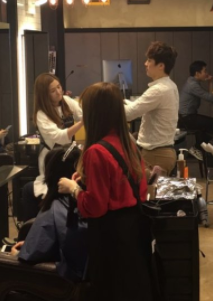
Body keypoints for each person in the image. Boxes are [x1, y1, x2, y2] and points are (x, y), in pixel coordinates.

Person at [58, 82, 155, 300]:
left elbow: (95, 207)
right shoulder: (128, 144)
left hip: (109, 238)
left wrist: (74, 189)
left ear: (95, 113)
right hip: (133, 232)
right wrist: (87, 179)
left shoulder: (96, 152)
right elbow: (131, 186)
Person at [12, 146, 88, 281]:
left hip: (66, 284)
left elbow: (29, 258)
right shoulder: (88, 203)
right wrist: (33, 242)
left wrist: (17, 254)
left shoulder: (54, 208)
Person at [21, 73, 83, 222]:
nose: (59, 92)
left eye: (59, 87)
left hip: (70, 154)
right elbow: (59, 137)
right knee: (50, 189)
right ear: (44, 95)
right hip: (52, 158)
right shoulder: (41, 115)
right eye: (53, 90)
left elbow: (81, 114)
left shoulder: (66, 101)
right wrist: (82, 123)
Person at [124, 41, 179, 175]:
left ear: (161, 66)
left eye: (149, 60)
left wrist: (110, 101)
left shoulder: (158, 90)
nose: (145, 63)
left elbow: (128, 114)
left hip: (155, 154)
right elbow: (135, 107)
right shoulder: (170, 85)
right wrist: (123, 101)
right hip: (162, 152)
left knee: (148, 189)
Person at [178, 60, 213, 161]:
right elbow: (211, 98)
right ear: (197, 73)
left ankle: (199, 149)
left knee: (208, 125)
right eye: (205, 71)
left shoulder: (193, 82)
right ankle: (197, 148)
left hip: (187, 117)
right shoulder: (193, 85)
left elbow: (211, 97)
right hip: (187, 118)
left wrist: (210, 82)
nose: (206, 73)